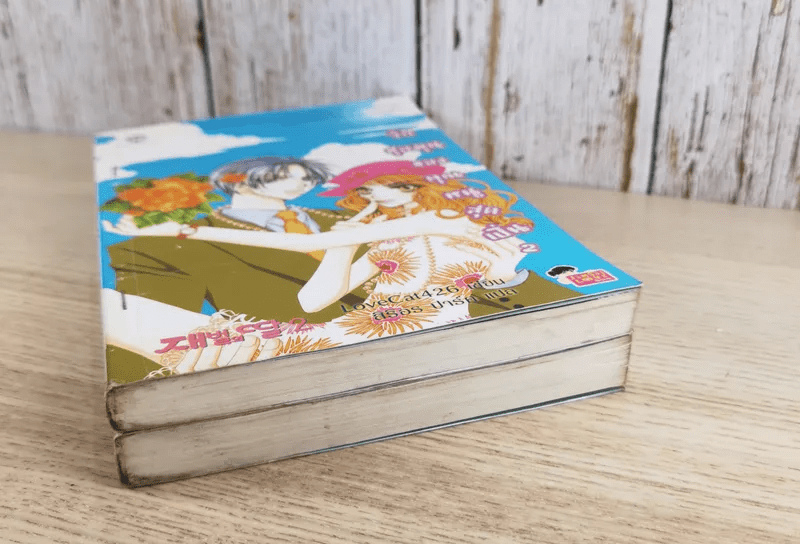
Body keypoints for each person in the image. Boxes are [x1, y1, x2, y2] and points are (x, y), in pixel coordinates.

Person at [103, 161, 580, 376]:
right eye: (365, 193)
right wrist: (347, 242)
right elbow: (312, 302)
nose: (371, 199)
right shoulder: (383, 240)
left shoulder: (444, 221)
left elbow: (301, 242)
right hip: (355, 336)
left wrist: (186, 231)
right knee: (128, 315)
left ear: (413, 187)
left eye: (380, 189)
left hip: (433, 337)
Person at [103, 156, 368, 382]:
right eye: (283, 176)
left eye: (307, 178)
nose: (302, 184)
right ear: (237, 180)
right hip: (288, 364)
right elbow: (149, 338)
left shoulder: (353, 218)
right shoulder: (161, 246)